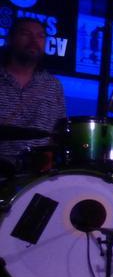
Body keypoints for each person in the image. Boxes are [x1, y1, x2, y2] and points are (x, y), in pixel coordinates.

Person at [0, 17, 66, 178]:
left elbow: (60, 131)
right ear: (11, 39)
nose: (34, 40)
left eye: (40, 36)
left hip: (36, 176)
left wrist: (50, 157)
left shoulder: (53, 85)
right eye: (26, 34)